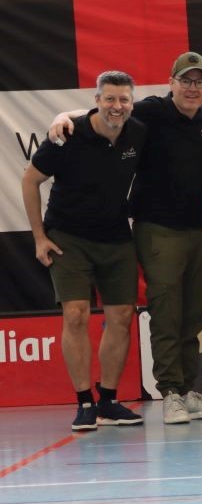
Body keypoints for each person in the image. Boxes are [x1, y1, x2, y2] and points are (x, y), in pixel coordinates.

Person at [50, 53, 202, 424]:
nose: (192, 88)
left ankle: (189, 391)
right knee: (166, 313)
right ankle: (171, 393)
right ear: (171, 82)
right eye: (185, 80)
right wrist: (63, 116)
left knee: (193, 314)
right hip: (156, 228)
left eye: (199, 81)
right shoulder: (151, 110)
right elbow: (107, 112)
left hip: (197, 229)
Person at [23, 71, 146, 431]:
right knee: (75, 315)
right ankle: (84, 403)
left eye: (123, 99)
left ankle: (108, 401)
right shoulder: (68, 134)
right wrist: (39, 237)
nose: (116, 106)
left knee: (121, 316)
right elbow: (30, 180)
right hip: (68, 238)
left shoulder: (138, 132)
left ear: (132, 102)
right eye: (109, 99)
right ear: (96, 100)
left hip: (116, 236)